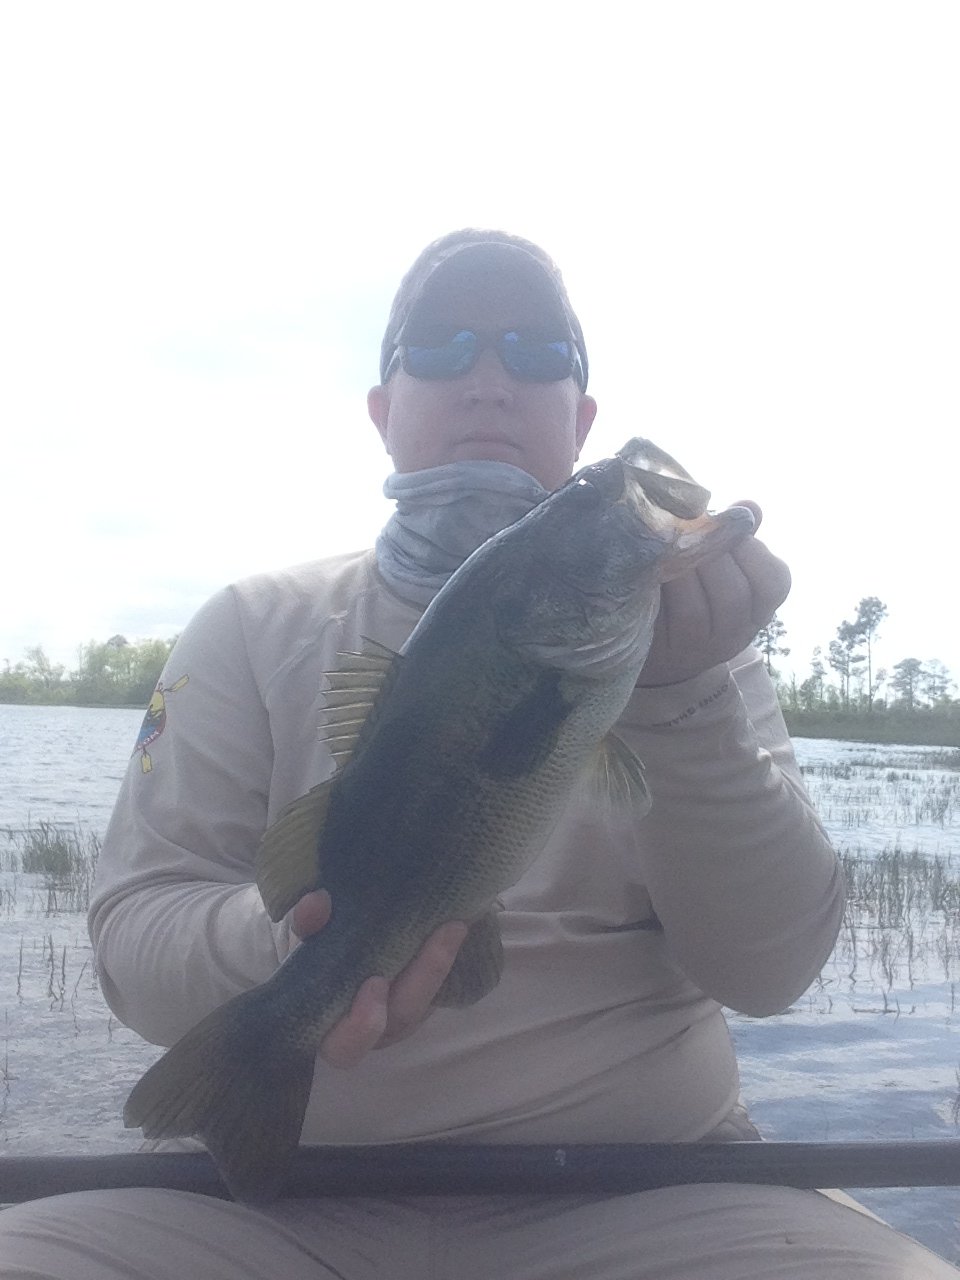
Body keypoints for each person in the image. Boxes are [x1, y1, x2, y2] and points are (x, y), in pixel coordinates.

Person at [1, 229, 955, 1279]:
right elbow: (135, 937)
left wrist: (687, 702)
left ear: (580, 416)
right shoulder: (249, 623)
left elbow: (772, 968)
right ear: (383, 407)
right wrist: (298, 946)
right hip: (266, 1207)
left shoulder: (687, 641)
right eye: (444, 345)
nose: (492, 378)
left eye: (541, 353)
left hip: (658, 1195)